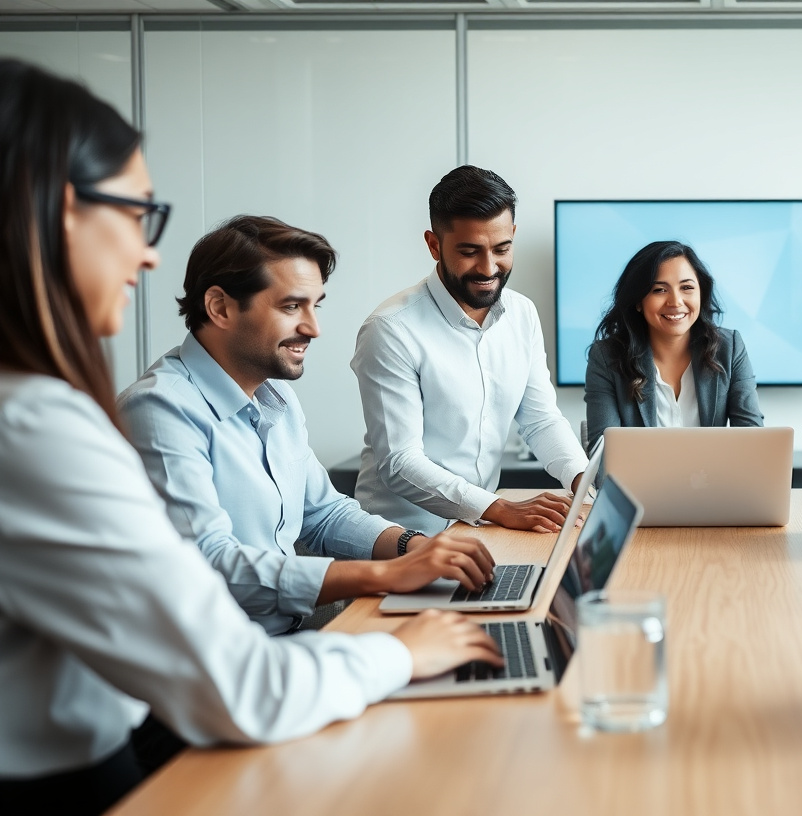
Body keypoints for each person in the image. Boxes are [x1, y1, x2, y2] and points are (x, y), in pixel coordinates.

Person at [0, 60, 501, 815]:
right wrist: (397, 642)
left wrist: (404, 550)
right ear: (61, 212)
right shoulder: (60, 423)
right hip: (106, 760)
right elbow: (232, 663)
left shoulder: (270, 400)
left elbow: (320, 513)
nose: (146, 252)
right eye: (138, 216)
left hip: (228, 675)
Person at [118, 216, 498, 636]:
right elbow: (212, 564)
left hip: (286, 637)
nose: (313, 328)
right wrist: (386, 576)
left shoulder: (275, 398)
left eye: (314, 306)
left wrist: (416, 548)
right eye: (290, 306)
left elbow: (324, 515)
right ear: (220, 307)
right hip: (219, 661)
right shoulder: (160, 410)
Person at [352, 167, 587, 535]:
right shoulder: (391, 329)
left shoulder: (522, 313)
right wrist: (499, 508)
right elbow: (399, 462)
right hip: (400, 538)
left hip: (478, 531)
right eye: (469, 251)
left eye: (502, 249)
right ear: (434, 245)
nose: (488, 267)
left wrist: (584, 483)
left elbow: (540, 419)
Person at [584, 240, 763, 449]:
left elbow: (753, 440)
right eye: (659, 290)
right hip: (639, 482)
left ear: (701, 293)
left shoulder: (729, 348)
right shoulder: (607, 357)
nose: (676, 301)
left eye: (687, 287)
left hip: (714, 481)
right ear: (638, 301)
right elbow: (604, 453)